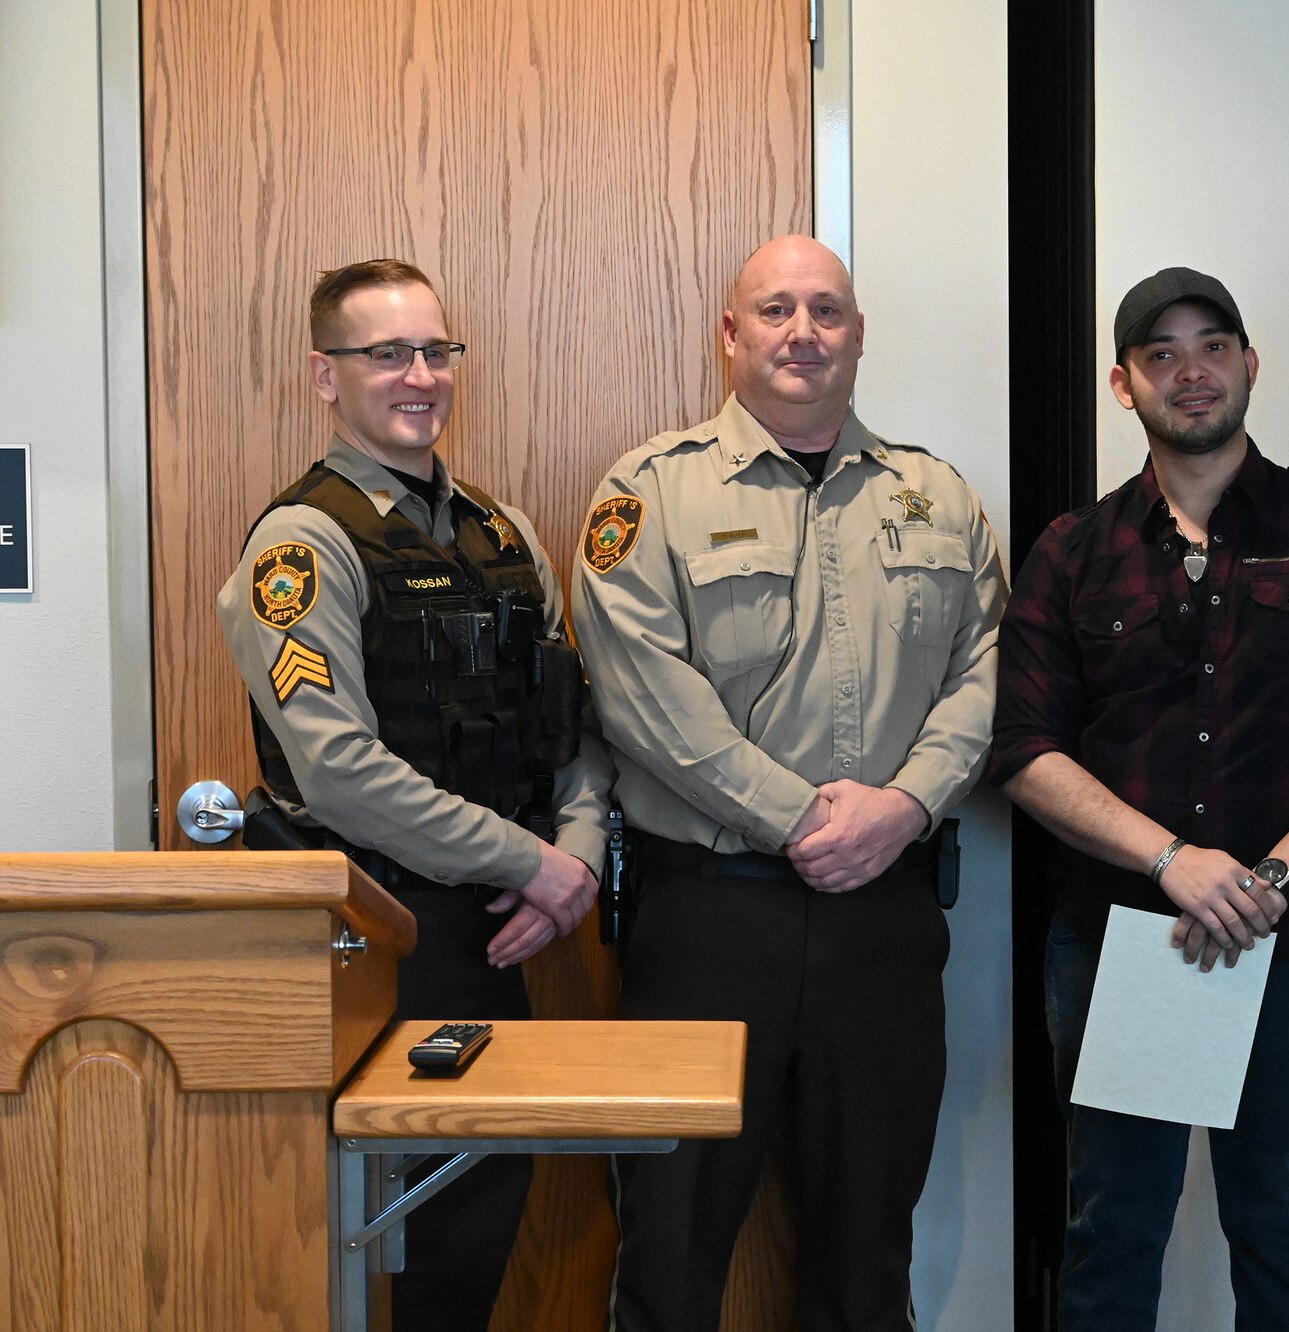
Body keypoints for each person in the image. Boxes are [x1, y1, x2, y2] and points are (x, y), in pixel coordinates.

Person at [570, 234, 1006, 1332]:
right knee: (670, 1244)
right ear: (730, 336)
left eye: (826, 311)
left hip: (884, 920)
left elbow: (986, 672)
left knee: (868, 1249)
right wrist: (801, 819)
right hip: (707, 917)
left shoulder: (937, 497)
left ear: (857, 336)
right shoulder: (647, 492)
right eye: (773, 310)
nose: (801, 333)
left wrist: (903, 808)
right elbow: (640, 695)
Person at [991, 267, 1289, 1330]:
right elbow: (1022, 747)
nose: (1191, 372)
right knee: (1112, 1227)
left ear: (1250, 363)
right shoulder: (1070, 551)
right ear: (1121, 386)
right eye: (1160, 354)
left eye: (1213, 344)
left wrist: (1270, 877)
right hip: (1124, 942)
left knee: (1277, 1221)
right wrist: (1172, 863)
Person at [217, 259, 610, 1329]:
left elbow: (568, 723)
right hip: (369, 942)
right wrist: (537, 865)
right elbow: (338, 770)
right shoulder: (301, 547)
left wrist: (570, 863)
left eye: (436, 350)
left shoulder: (504, 533)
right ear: (323, 374)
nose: (420, 374)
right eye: (386, 352)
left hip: (499, 933)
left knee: (476, 1221)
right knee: (351, 1236)